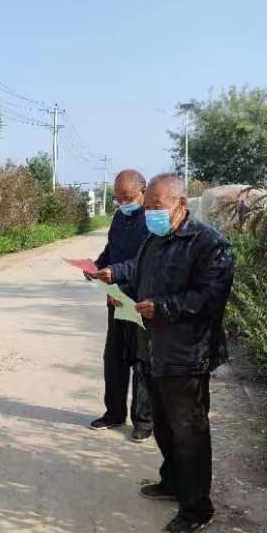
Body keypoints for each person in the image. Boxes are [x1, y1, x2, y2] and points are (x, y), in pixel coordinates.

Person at [130, 173, 234, 533]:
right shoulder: (154, 240)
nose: (149, 214)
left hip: (187, 355)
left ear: (181, 204)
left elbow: (209, 299)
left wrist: (162, 307)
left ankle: (197, 508)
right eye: (146, 208)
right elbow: (140, 277)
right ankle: (172, 481)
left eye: (156, 207)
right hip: (154, 350)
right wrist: (123, 290)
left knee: (189, 432)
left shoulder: (210, 245)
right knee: (163, 424)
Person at [89, 169, 153, 442]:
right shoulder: (119, 218)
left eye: (127, 198)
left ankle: (143, 421)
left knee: (141, 361)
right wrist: (97, 266)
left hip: (141, 300)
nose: (122, 204)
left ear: (142, 191)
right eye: (118, 198)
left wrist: (116, 271)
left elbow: (147, 260)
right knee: (114, 359)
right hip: (116, 299)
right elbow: (111, 250)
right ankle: (114, 413)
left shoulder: (153, 219)